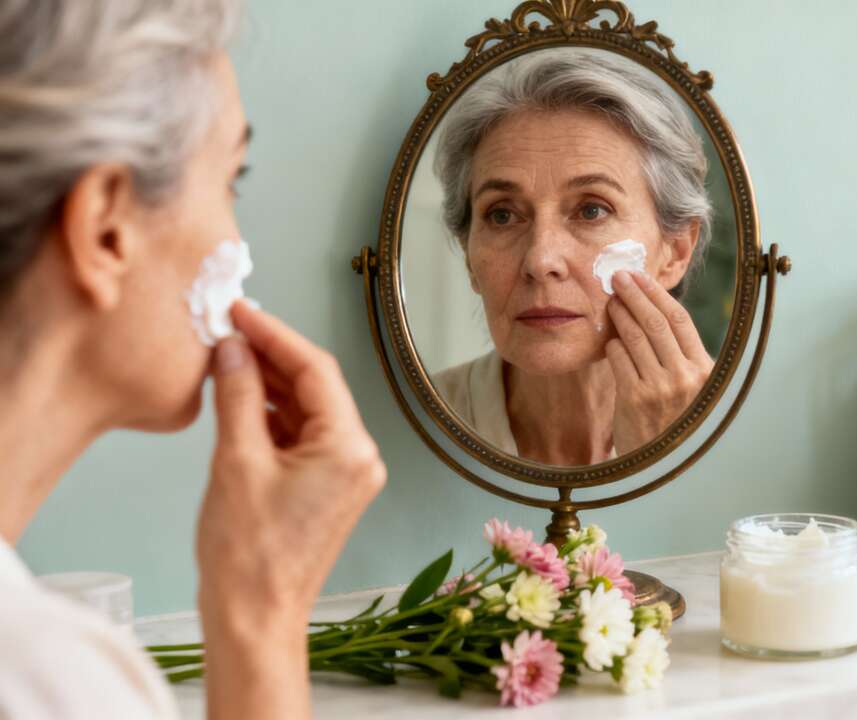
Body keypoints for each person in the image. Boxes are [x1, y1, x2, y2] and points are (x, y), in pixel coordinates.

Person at [0, 1, 385, 718]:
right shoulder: (42, 679)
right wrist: (262, 614)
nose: (241, 245)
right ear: (106, 228)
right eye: (229, 179)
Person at [432, 50, 716, 466]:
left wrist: (670, 460)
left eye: (592, 210)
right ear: (468, 254)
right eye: (503, 214)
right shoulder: (404, 428)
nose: (541, 259)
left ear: (675, 251)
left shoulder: (746, 440)